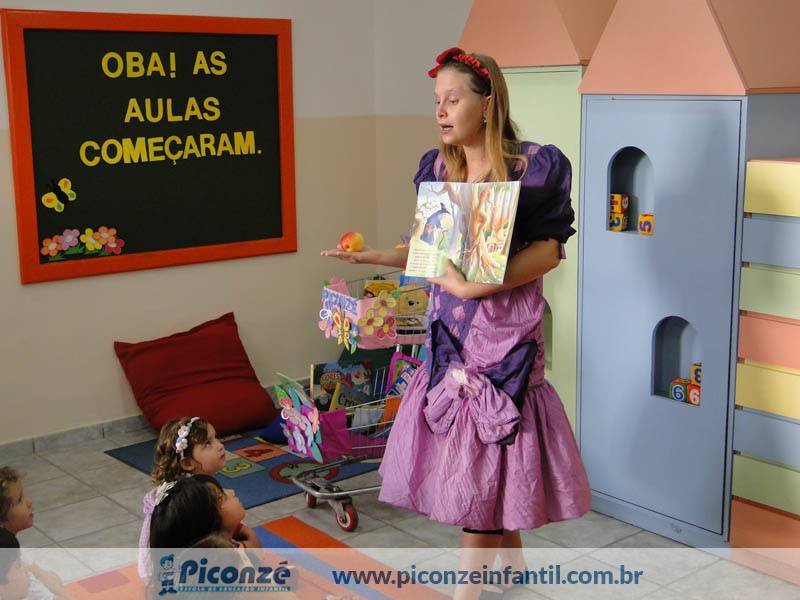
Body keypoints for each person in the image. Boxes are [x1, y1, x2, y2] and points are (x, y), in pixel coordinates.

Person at [322, 47, 590, 599]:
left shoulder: (531, 168)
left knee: (486, 461)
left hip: (503, 341)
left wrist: (473, 287)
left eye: (453, 99)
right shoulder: (440, 169)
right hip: (451, 338)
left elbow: (549, 253)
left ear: (487, 104)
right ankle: (512, 573)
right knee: (489, 462)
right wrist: (375, 256)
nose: (441, 111)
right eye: (436, 101)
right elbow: (429, 253)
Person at [138, 417, 258, 580]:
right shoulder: (192, 496)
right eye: (208, 444)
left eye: (216, 438)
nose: (219, 445)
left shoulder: (194, 486)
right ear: (188, 463)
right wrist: (243, 547)